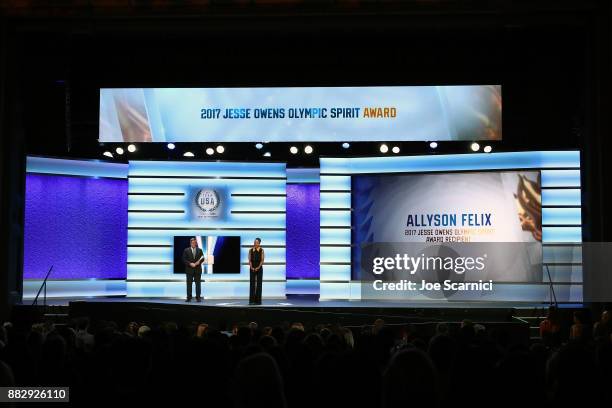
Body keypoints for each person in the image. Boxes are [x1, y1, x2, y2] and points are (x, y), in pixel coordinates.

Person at [183, 237, 205, 302]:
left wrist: (199, 262)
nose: (194, 244)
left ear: (196, 243)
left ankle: (198, 297)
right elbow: (184, 259)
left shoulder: (200, 250)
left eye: (195, 243)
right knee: (189, 284)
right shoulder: (186, 250)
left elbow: (202, 258)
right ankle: (189, 298)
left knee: (198, 284)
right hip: (189, 270)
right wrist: (190, 263)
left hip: (197, 270)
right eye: (192, 242)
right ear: (190, 243)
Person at [248, 237, 265, 305]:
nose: (255, 243)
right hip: (252, 268)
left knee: (259, 284)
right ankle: (252, 301)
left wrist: (258, 267)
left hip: (259, 268)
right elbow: (249, 260)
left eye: (257, 242)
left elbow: (262, 260)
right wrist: (251, 267)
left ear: (259, 243)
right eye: (254, 242)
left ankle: (258, 301)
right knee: (252, 284)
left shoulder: (262, 250)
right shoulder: (250, 250)